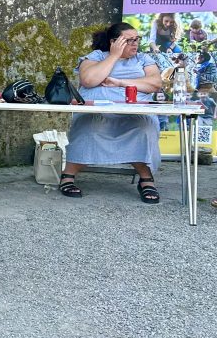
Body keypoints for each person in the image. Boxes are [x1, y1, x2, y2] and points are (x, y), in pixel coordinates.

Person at [59, 23, 163, 203]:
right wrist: (114, 56)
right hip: (99, 112)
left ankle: (146, 180)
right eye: (128, 40)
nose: (135, 43)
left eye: (136, 39)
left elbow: (154, 83)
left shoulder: (143, 59)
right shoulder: (97, 56)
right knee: (90, 126)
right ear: (114, 42)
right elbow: (89, 80)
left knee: (144, 127)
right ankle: (68, 175)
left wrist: (120, 82)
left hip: (134, 112)